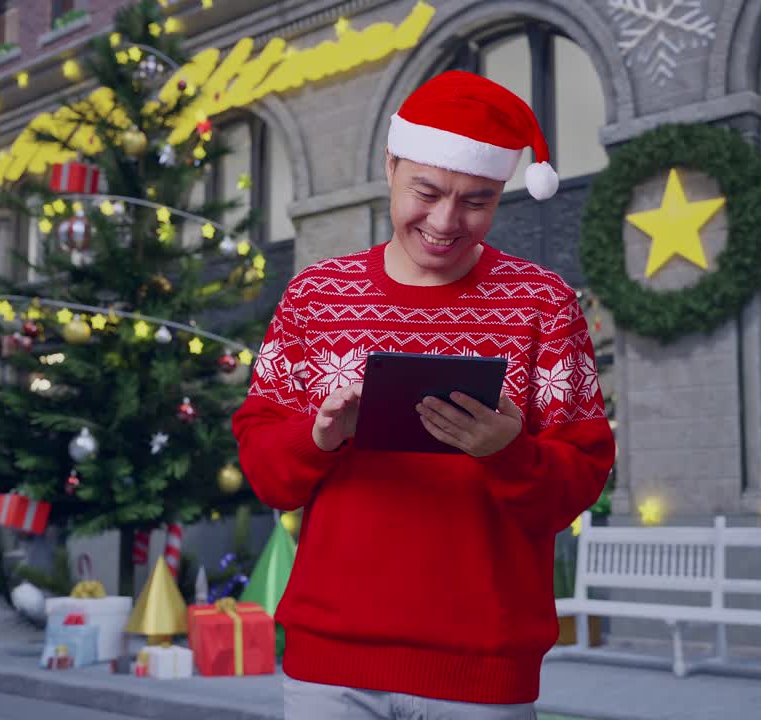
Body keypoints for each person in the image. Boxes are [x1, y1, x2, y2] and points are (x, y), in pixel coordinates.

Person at [231, 70, 616, 719]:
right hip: (332, 665)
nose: (445, 221)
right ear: (391, 166)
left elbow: (579, 481)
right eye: (427, 192)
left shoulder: (542, 304)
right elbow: (268, 474)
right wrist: (319, 436)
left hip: (483, 665)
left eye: (477, 201)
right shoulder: (315, 297)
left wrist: (509, 453)